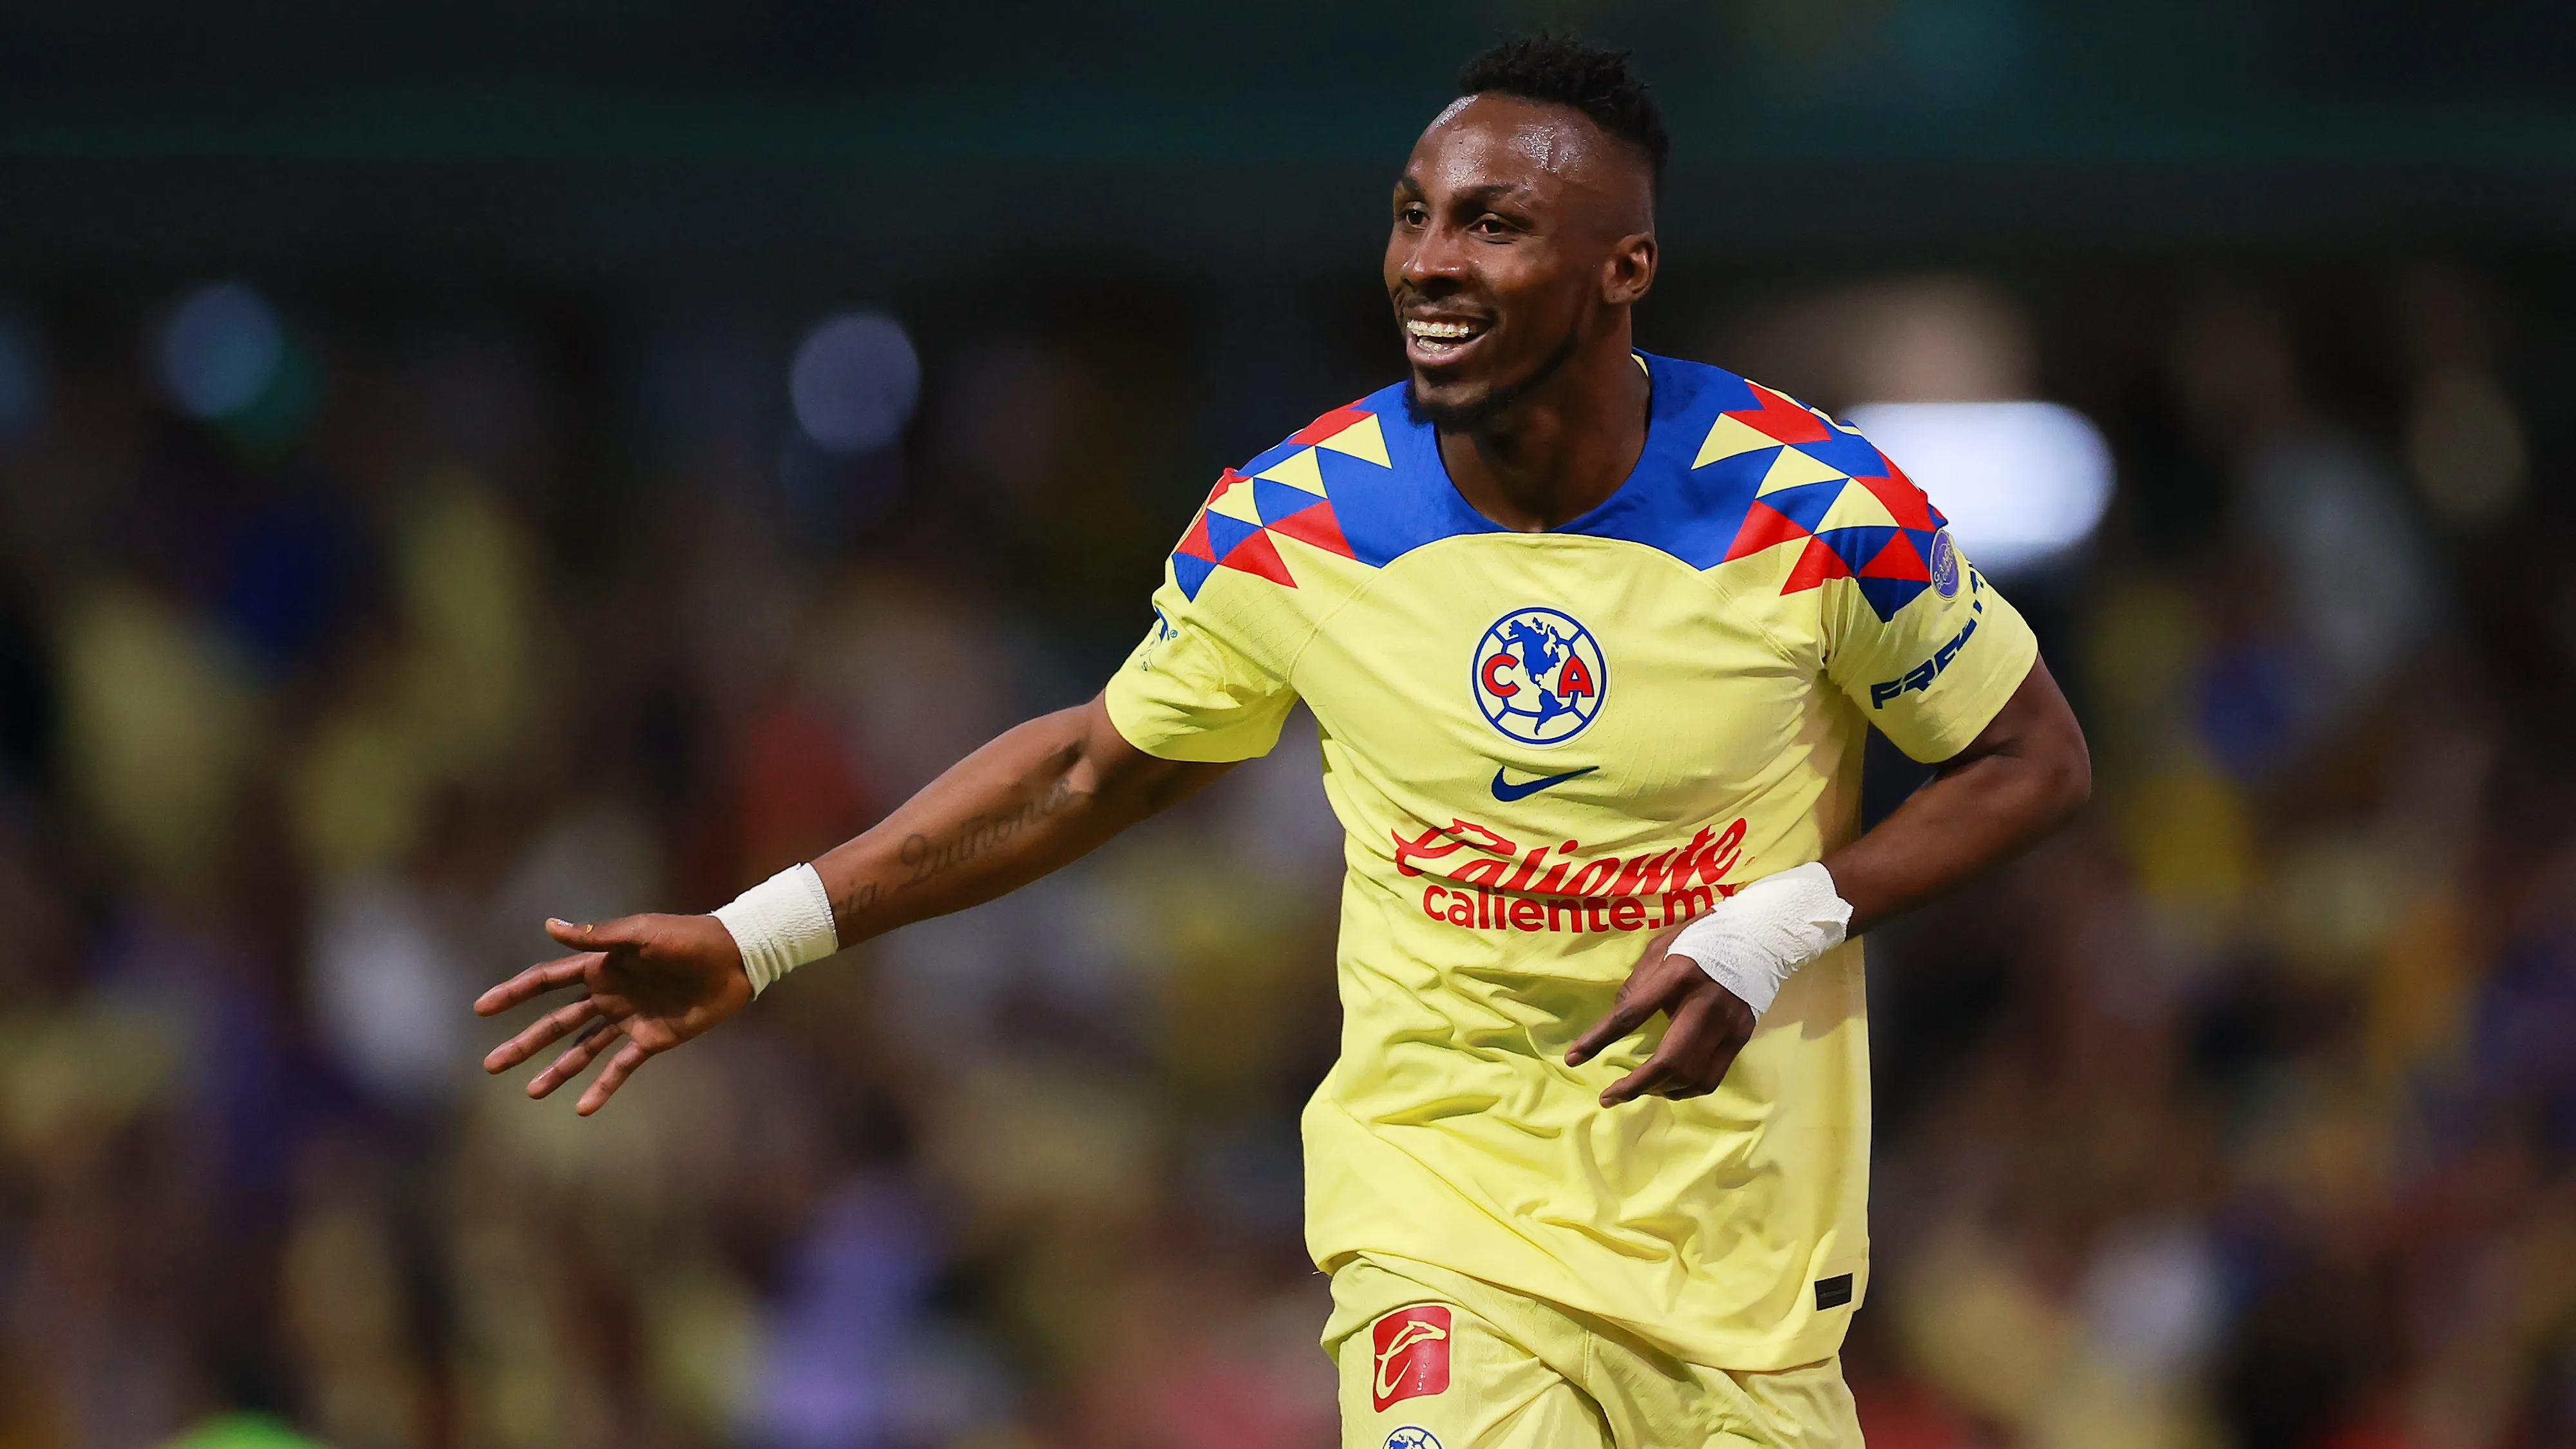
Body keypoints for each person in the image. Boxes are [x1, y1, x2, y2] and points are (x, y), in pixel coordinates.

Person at [476, 34, 2089, 1449]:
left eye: (1494, 223)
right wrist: (759, 938)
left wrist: (1775, 926)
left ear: (1624, 269)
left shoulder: (1812, 508)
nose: (1427, 260)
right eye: (1413, 213)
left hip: (1742, 1270)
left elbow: (2030, 761)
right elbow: (1089, 766)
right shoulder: (1299, 519)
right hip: (1441, 1228)